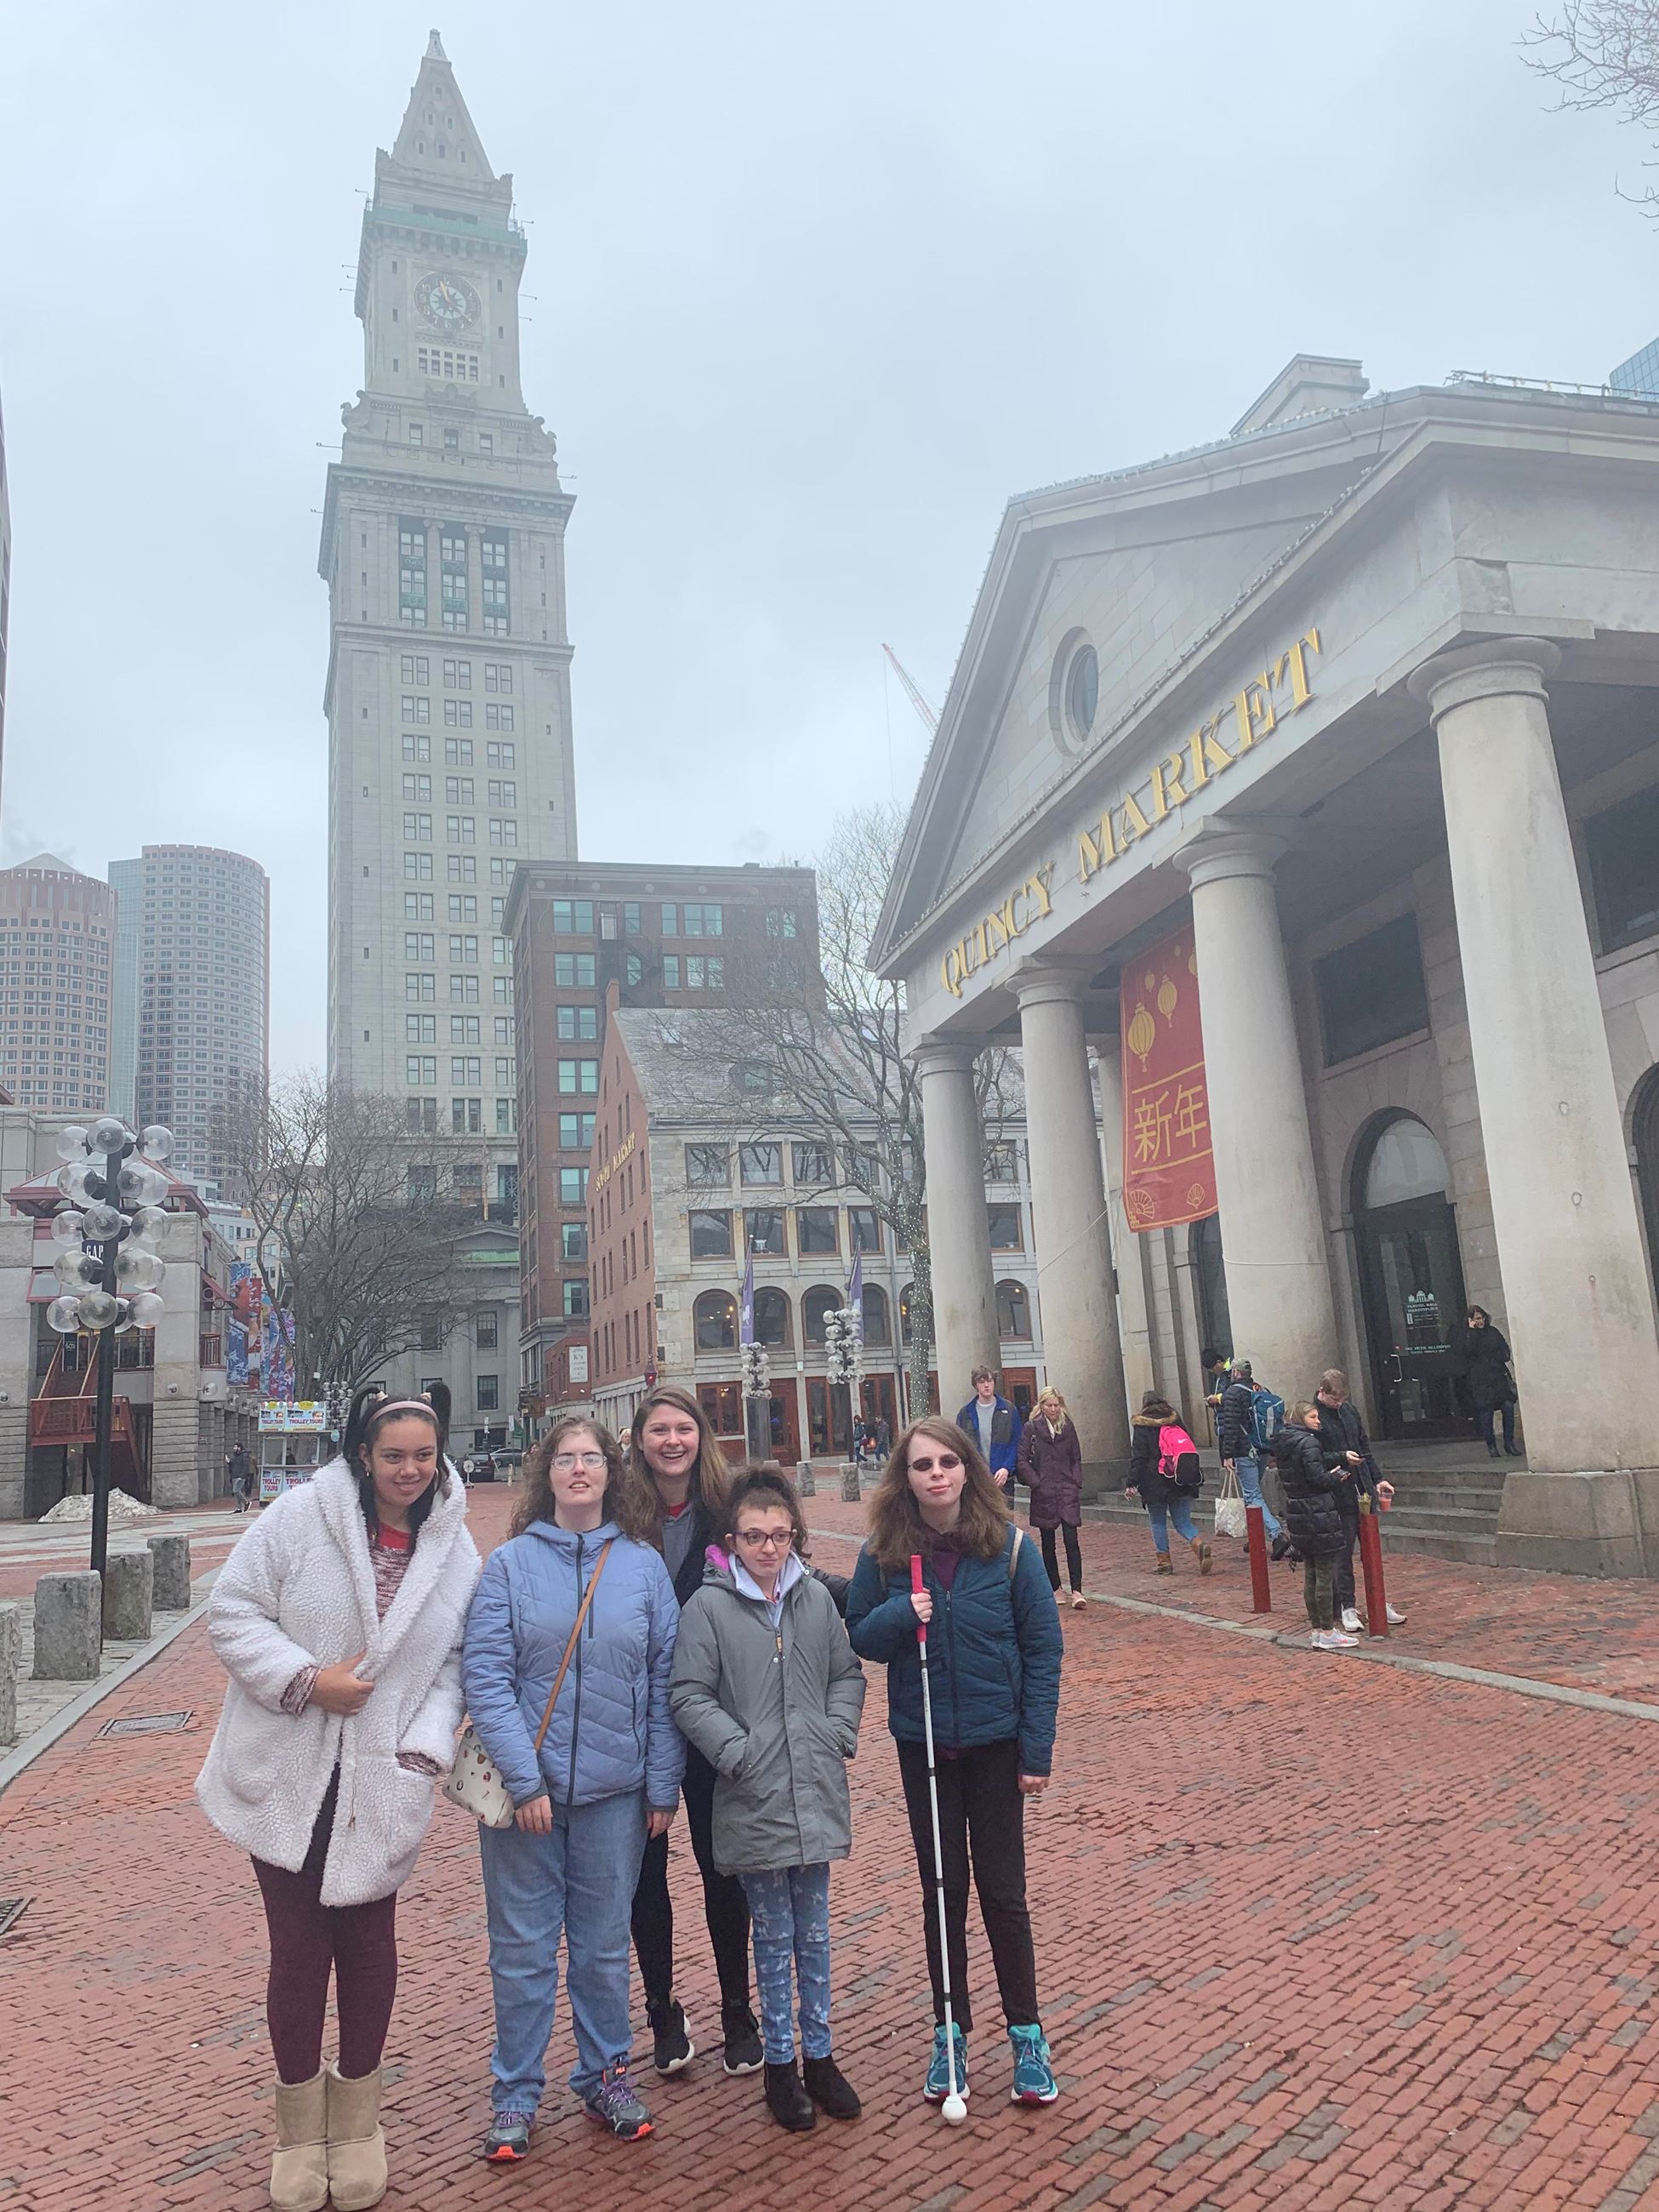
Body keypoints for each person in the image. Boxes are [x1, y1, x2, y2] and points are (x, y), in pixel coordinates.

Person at [196, 1384, 481, 2212]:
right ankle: (297, 2128)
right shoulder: (298, 1519)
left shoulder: (456, 1551)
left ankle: (357, 2122)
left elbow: (459, 1661)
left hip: (381, 1776)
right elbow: (232, 1608)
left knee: (367, 1945)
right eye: (393, 1453)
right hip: (285, 1769)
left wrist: (424, 1745)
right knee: (297, 1949)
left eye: (423, 1454)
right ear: (363, 1452)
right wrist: (305, 1679)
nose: (409, 1469)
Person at [462, 1417, 683, 2158]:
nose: (580, 1470)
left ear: (610, 1472)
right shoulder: (509, 1567)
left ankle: (606, 2075)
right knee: (521, 1951)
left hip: (616, 1796)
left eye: (592, 1459)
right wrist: (524, 1783)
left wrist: (662, 1786)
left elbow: (662, 1684)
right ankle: (516, 2094)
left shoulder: (644, 1567)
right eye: (567, 1459)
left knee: (600, 1949)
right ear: (547, 1474)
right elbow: (486, 1680)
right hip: (528, 1801)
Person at [847, 1417, 1063, 2110]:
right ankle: (950, 2031)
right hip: (927, 1747)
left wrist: (1036, 1751)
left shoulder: (1011, 1550)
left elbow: (1043, 1651)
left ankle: (1026, 2032)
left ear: (967, 1469)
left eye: (946, 1462)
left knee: (1004, 1894)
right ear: (904, 1478)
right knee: (943, 1891)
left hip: (997, 1748)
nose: (936, 1474)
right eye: (921, 1465)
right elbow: (859, 1637)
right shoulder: (883, 1554)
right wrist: (898, 1617)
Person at [669, 1466, 866, 2133]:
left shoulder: (813, 1601)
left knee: (814, 1934)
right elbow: (688, 1694)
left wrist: (837, 1730)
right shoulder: (709, 1607)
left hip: (812, 1786)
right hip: (752, 1792)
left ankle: (821, 2055)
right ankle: (779, 2064)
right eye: (754, 1536)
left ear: (794, 1537)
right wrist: (735, 1750)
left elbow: (846, 1672)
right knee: (772, 1934)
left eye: (780, 1535)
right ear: (734, 1539)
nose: (768, 1547)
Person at [624, 1383, 765, 2077]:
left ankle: (738, 2009)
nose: (672, 1441)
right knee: (645, 1872)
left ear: (701, 1437)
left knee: (722, 1865)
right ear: (640, 1440)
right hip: (636, 1717)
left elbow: (779, 1569)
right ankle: (662, 2010)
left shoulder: (727, 1512)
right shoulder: (619, 1517)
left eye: (683, 1428)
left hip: (713, 1709)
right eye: (659, 1430)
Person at [1315, 1371, 1405, 1633]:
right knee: (1343, 1554)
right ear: (1323, 1392)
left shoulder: (1350, 1412)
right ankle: (1347, 1606)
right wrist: (1342, 1457)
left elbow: (1364, 1446)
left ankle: (1377, 1600)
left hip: (1363, 1487)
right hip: (1338, 1492)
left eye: (1343, 1398)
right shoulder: (1316, 1417)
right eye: (1335, 1398)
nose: (1339, 1403)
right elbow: (1317, 1455)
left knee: (1371, 1551)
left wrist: (1378, 1479)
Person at [1273, 1403, 1358, 1650]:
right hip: (1317, 1510)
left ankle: (1317, 1630)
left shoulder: (1285, 1442)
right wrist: (1337, 1475)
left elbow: (1309, 1466)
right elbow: (1317, 1477)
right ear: (1301, 1418)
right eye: (1313, 1416)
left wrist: (1340, 1456)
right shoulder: (1309, 1442)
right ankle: (1328, 1630)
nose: (1318, 1421)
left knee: (1310, 1571)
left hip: (1297, 1510)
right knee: (1322, 1571)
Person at [1126, 1393, 1212, 1576]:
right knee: (1182, 1521)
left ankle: (1164, 1562)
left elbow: (1139, 1458)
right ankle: (1198, 1543)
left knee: (1158, 1522)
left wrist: (1132, 1482)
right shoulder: (1175, 1420)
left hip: (1154, 1481)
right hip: (1180, 1479)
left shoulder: (1142, 1426)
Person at [1017, 1388, 1086, 1608]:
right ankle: (1056, 1586)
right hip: (1044, 1491)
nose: (1053, 1409)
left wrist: (1075, 1482)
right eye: (1049, 1405)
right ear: (1042, 1406)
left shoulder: (1068, 1427)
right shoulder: (1032, 1428)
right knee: (1048, 1543)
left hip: (1066, 1489)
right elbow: (1022, 1460)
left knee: (1071, 1541)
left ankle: (1077, 1590)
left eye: (1056, 1405)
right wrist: (1037, 1483)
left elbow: (1075, 1456)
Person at [1217, 1359, 1287, 1556]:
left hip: (1244, 1451)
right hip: (1263, 1449)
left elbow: (1230, 1426)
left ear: (1236, 1373)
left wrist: (1228, 1454)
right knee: (1254, 1494)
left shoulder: (1232, 1393)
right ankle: (1254, 1537)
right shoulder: (1261, 1389)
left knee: (1252, 1496)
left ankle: (1276, 1534)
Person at [1462, 1307, 1520, 1457]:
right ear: (1471, 1321)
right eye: (1476, 1319)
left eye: (1481, 1318)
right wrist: (1473, 1331)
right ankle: (1491, 1445)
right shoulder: (1469, 1335)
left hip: (1498, 1377)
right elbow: (1468, 1353)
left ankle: (1509, 1443)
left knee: (1507, 1408)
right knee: (1486, 1413)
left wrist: (1496, 1358)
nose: (1480, 1321)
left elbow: (1505, 1351)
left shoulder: (1493, 1332)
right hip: (1481, 1381)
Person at [956, 1368, 1023, 1490]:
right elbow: (960, 1445)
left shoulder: (1009, 1410)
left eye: (990, 1381)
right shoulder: (966, 1413)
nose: (986, 1385)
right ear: (976, 1385)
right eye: (981, 1382)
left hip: (1002, 1478)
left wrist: (1007, 1468)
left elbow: (1016, 1442)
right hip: (976, 1479)